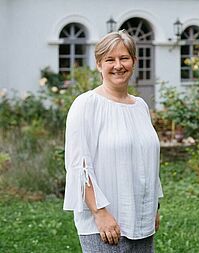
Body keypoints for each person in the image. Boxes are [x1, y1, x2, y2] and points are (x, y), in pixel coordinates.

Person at [63, 29, 163, 253]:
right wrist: (100, 213)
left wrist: (153, 207)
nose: (118, 65)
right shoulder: (86, 105)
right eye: (110, 59)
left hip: (142, 220)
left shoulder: (140, 106)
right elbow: (79, 167)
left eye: (124, 58)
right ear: (99, 64)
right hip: (105, 225)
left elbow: (148, 161)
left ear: (134, 61)